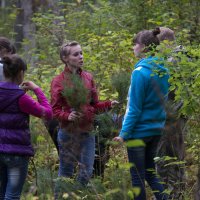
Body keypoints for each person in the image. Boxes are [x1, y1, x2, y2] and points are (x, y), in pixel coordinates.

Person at [51, 41, 118, 187]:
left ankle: (75, 195)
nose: (81, 56)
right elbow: (54, 110)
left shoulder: (88, 77)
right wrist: (67, 116)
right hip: (68, 132)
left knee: (87, 170)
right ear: (65, 58)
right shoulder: (58, 81)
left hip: (88, 132)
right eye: (76, 54)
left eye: (81, 53)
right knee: (66, 173)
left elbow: (94, 105)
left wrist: (108, 104)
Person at [113, 28, 169, 200]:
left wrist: (123, 134)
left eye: (135, 44)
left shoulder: (140, 73)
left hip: (139, 132)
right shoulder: (163, 70)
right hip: (156, 129)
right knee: (151, 174)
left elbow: (134, 108)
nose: (133, 48)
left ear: (143, 47)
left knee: (137, 177)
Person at [0, 54, 52, 200]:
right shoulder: (21, 98)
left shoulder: (18, 96)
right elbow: (47, 113)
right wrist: (37, 90)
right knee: (12, 194)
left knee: (2, 192)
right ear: (21, 73)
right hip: (16, 153)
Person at [156, 27, 187, 199]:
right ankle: (177, 193)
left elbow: (166, 93)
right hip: (178, 116)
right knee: (176, 158)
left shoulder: (171, 61)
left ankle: (172, 195)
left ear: (164, 42)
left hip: (170, 118)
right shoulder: (184, 57)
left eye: (156, 43)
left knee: (166, 159)